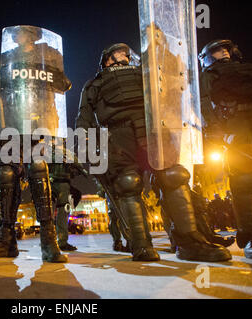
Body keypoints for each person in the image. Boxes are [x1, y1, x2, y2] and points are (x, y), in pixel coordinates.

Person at [76, 43, 231, 262]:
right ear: (107, 59)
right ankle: (141, 245)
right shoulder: (94, 84)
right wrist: (86, 147)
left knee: (174, 177)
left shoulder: (144, 73)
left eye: (126, 52)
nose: (125, 55)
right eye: (119, 52)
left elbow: (167, 95)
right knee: (128, 184)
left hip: (153, 129)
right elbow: (84, 117)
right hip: (119, 135)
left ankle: (190, 243)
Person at [0, 26, 71, 263]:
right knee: (6, 176)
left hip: (37, 124)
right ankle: (6, 241)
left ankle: (49, 242)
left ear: (32, 36)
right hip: (11, 125)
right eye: (16, 34)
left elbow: (62, 84)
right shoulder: (6, 59)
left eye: (22, 34)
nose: (17, 37)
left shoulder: (46, 55)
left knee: (38, 168)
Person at [199, 39, 252, 258]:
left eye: (225, 49)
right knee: (246, 179)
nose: (223, 53)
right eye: (216, 51)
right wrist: (216, 129)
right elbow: (203, 103)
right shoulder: (208, 76)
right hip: (237, 126)